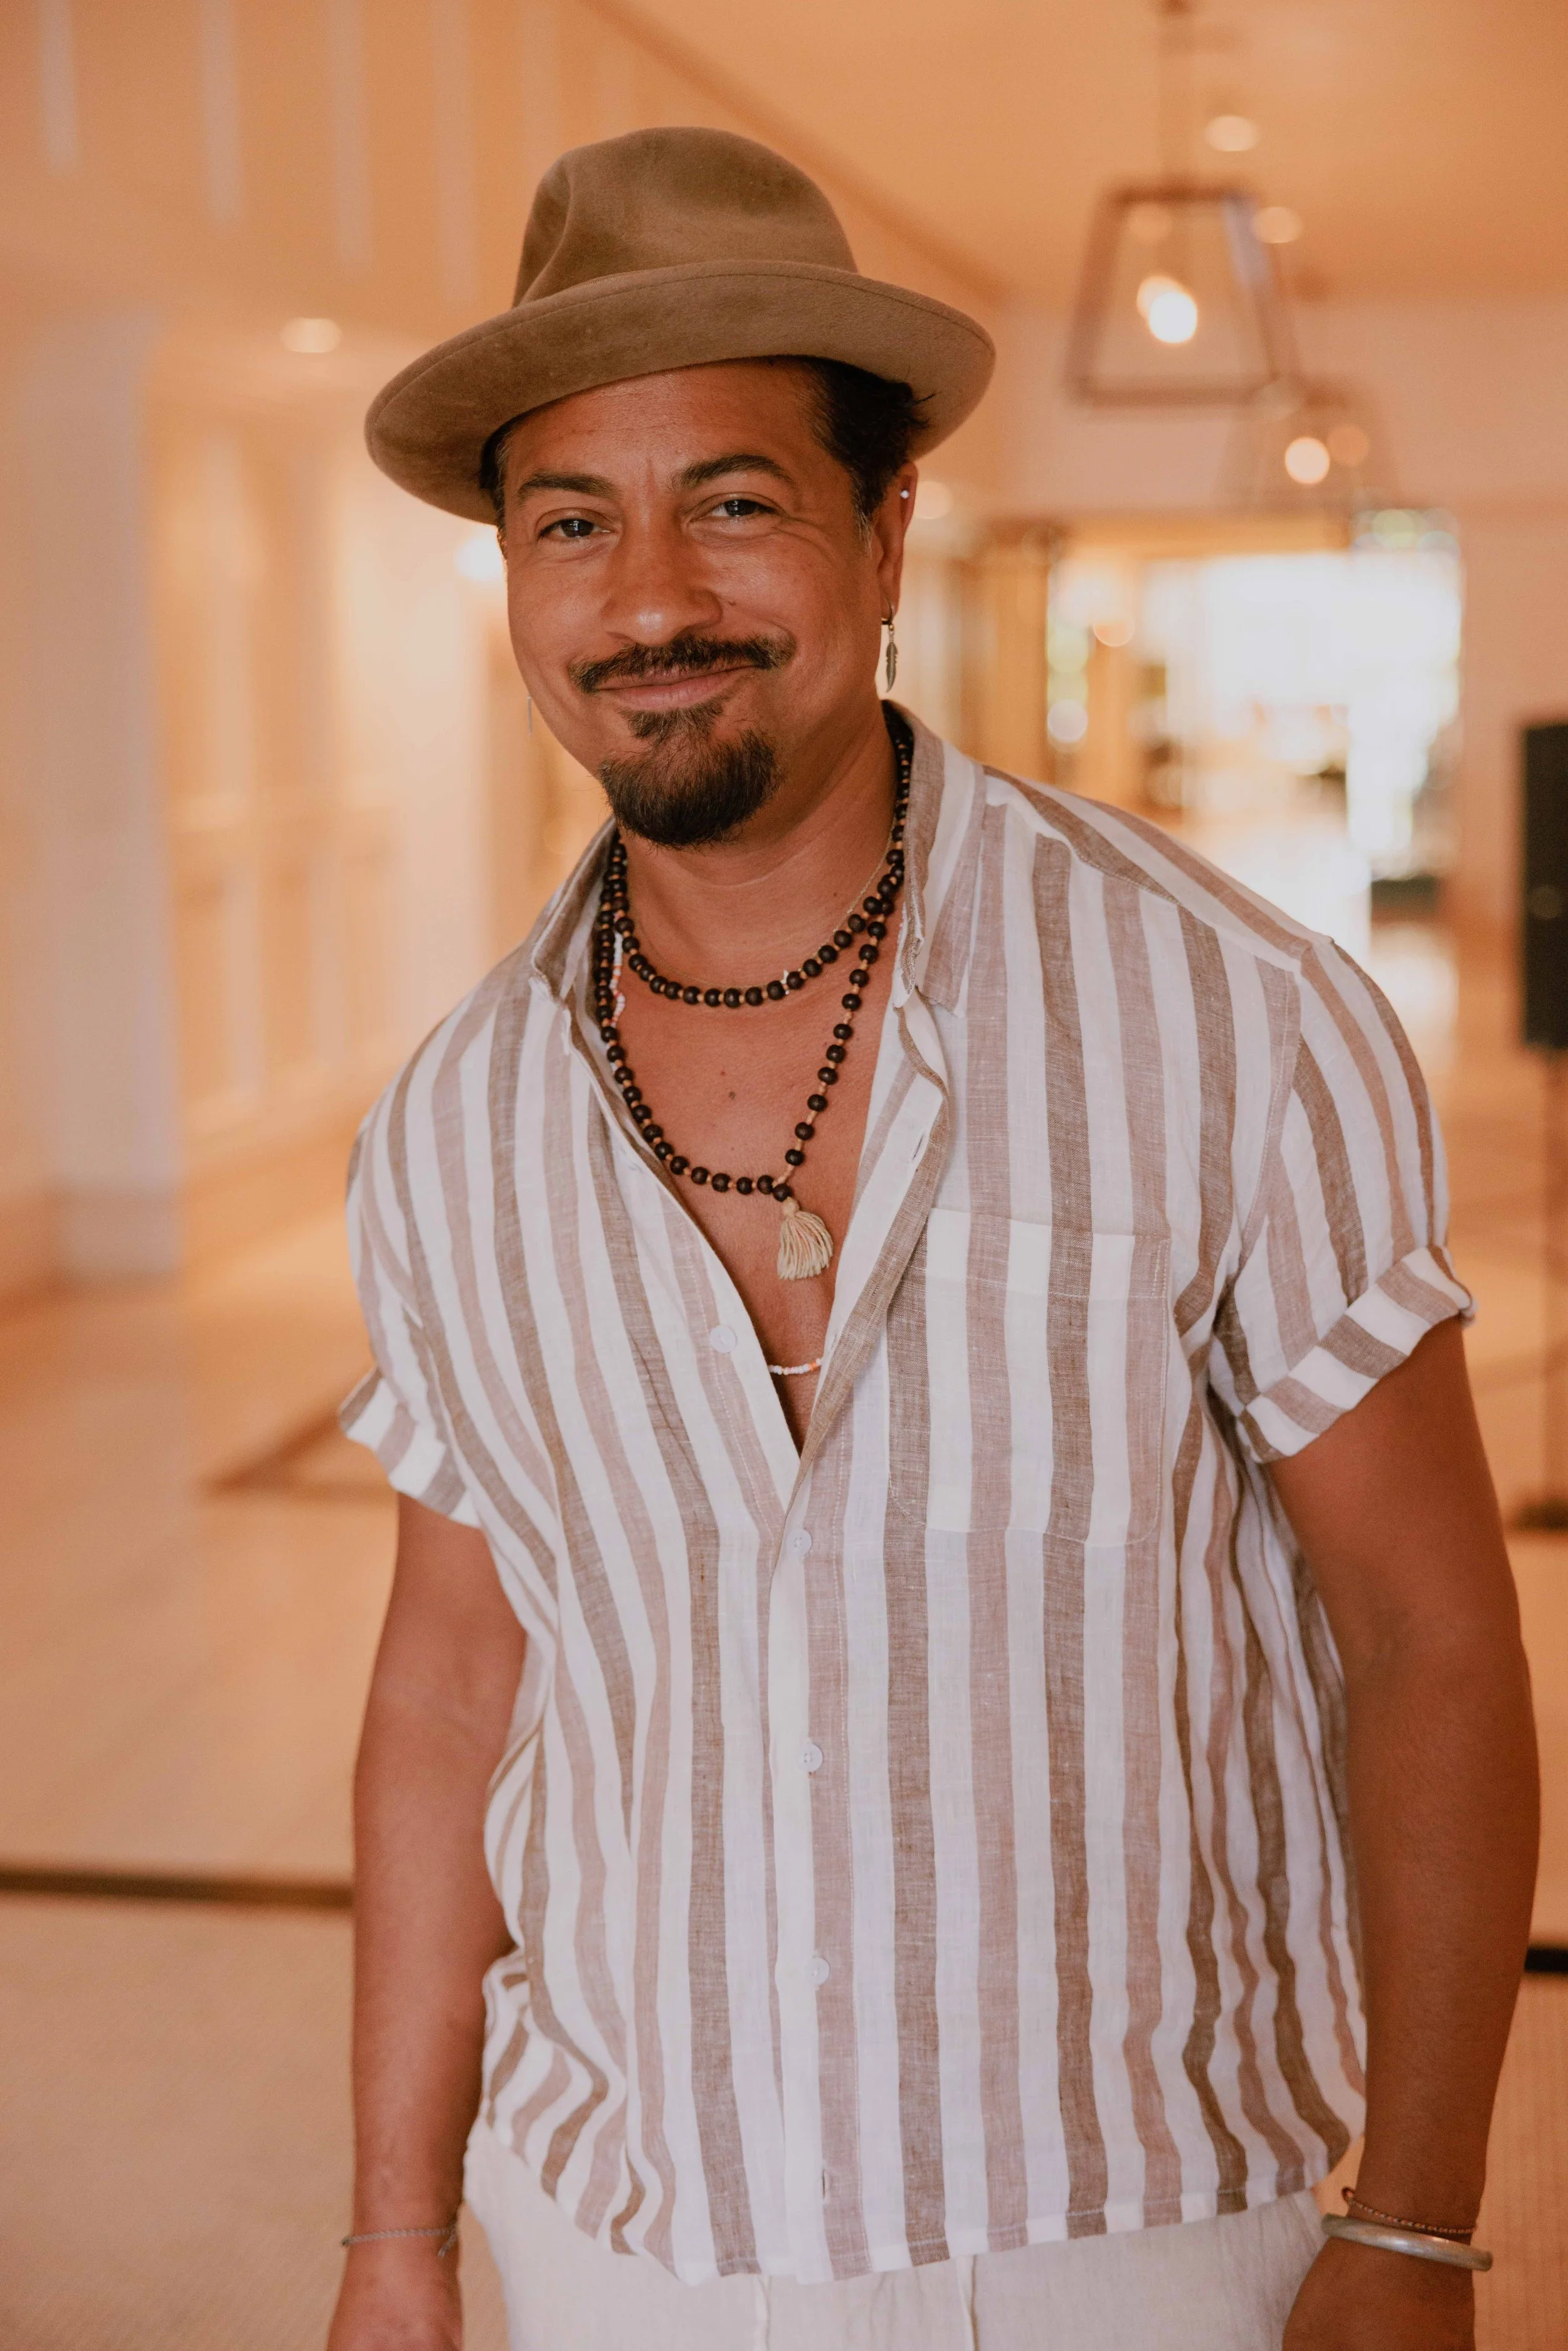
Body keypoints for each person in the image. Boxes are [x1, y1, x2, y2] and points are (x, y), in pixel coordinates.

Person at [326, 129, 1537, 2351]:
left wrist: (1419, 2222)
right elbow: (444, 1686)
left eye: (737, 498)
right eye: (569, 521)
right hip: (630, 2237)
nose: (650, 593)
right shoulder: (451, 1127)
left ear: (888, 536)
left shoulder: (1230, 1013)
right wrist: (398, 2236)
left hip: (1150, 2231)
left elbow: (1424, 1632)